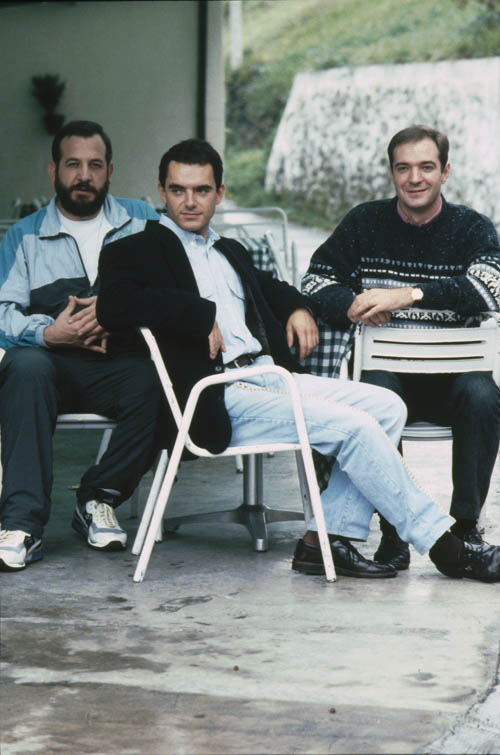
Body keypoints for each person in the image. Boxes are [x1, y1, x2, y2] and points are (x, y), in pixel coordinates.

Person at [96, 137, 500, 584]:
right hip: (213, 393)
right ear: (161, 192)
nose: (190, 202)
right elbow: (112, 306)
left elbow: (277, 288)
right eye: (178, 190)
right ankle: (445, 546)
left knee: (387, 407)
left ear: (220, 193)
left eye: (202, 190)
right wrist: (195, 313)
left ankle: (327, 539)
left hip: (266, 376)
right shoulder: (135, 251)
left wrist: (297, 309)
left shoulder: (229, 251)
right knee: (355, 427)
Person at [303, 124, 500, 572]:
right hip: (390, 375)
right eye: (403, 168)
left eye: (426, 167)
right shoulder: (364, 223)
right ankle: (393, 530)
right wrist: (352, 303)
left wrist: (407, 295)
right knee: (372, 395)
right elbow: (314, 282)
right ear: (391, 173)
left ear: (445, 172)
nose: (415, 178)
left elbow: (491, 288)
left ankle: (465, 528)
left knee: (484, 395)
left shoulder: (471, 227)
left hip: (455, 380)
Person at [0, 120, 162, 572]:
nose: (84, 176)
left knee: (159, 381)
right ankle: (21, 524)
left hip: (118, 363)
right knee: (24, 369)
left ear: (110, 171)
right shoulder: (24, 235)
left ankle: (98, 498)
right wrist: (48, 332)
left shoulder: (142, 221)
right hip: (50, 364)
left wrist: (118, 317)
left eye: (95, 165)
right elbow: (2, 311)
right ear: (53, 170)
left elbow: (172, 291)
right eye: (73, 164)